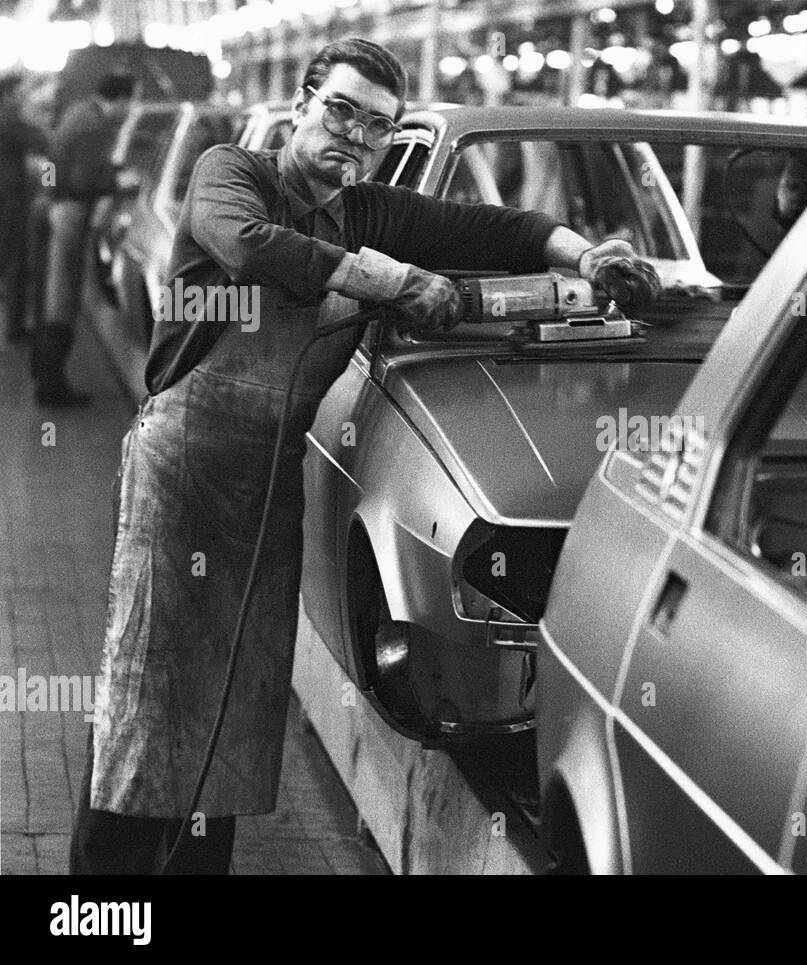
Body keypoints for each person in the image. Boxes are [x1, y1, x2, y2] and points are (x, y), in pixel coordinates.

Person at [69, 37, 660, 875]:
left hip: (265, 483)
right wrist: (389, 281)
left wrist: (584, 253)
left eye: (377, 127)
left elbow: (496, 227)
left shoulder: (366, 208)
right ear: (306, 101)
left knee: (237, 706)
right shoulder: (229, 171)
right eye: (342, 109)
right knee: (147, 696)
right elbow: (248, 245)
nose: (354, 136)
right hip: (185, 470)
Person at [31, 72, 136, 406]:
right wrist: (117, 183)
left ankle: (43, 372)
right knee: (62, 297)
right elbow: (82, 179)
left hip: (56, 209)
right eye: (130, 100)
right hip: (70, 214)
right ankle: (51, 387)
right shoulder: (95, 126)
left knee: (51, 293)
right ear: (119, 98)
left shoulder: (79, 113)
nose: (129, 108)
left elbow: (55, 160)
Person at [0, 74, 47, 343]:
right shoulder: (8, 118)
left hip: (10, 198)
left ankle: (14, 328)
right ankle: (13, 331)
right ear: (9, 94)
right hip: (10, 201)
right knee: (14, 263)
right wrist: (50, 185)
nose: (25, 97)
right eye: (22, 92)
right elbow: (47, 145)